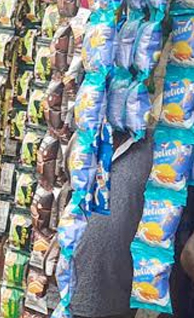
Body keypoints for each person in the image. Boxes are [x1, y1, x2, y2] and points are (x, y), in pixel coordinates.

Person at [65, 130, 152, 318]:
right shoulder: (80, 140)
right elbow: (68, 195)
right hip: (68, 293)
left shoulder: (152, 149)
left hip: (115, 299)